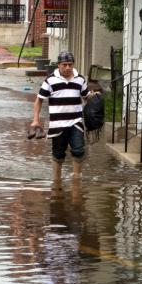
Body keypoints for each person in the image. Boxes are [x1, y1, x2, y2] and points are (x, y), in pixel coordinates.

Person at [31, 51, 98, 188]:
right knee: (58, 155)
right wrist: (35, 120)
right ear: (59, 65)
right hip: (58, 124)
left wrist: (94, 96)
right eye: (64, 65)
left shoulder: (80, 79)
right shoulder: (50, 80)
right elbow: (39, 100)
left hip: (76, 122)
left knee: (78, 151)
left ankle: (76, 181)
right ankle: (56, 182)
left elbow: (85, 96)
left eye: (70, 65)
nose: (67, 68)